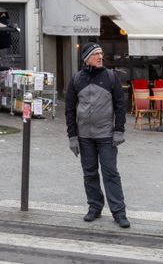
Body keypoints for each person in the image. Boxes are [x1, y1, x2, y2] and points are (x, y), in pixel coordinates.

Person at [65, 42, 130, 228]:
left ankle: (119, 212)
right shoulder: (77, 79)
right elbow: (69, 109)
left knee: (110, 173)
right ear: (86, 58)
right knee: (89, 173)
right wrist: (72, 136)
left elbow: (120, 104)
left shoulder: (111, 77)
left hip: (106, 135)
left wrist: (119, 130)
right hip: (84, 136)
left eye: (101, 53)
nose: (100, 57)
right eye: (96, 54)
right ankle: (95, 207)